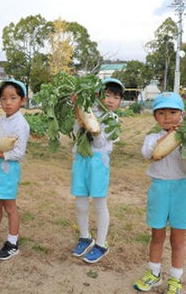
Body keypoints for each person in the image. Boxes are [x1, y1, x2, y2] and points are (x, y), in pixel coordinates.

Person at [134, 92, 186, 293]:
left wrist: (184, 138)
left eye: (173, 112)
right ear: (155, 117)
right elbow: (149, 154)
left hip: (183, 189)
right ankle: (154, 273)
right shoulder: (152, 138)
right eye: (162, 113)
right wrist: (169, 136)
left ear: (182, 114)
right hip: (159, 188)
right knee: (157, 235)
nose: (168, 117)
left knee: (178, 239)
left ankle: (175, 278)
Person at [71, 78, 124, 263]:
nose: (110, 100)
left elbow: (101, 142)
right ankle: (85, 238)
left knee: (100, 204)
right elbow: (75, 132)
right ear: (98, 96)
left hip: (98, 163)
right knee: (81, 203)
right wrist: (79, 114)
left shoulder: (113, 120)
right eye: (107, 95)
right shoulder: (87, 111)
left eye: (115, 97)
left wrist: (94, 129)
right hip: (80, 160)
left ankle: (101, 244)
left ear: (120, 101)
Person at [0, 79, 30, 260]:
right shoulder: (0, 121)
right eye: (3, 98)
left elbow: (18, 153)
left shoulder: (21, 124)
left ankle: (12, 242)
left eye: (13, 98)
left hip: (9, 170)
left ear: (22, 100)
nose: (8, 103)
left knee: (10, 207)